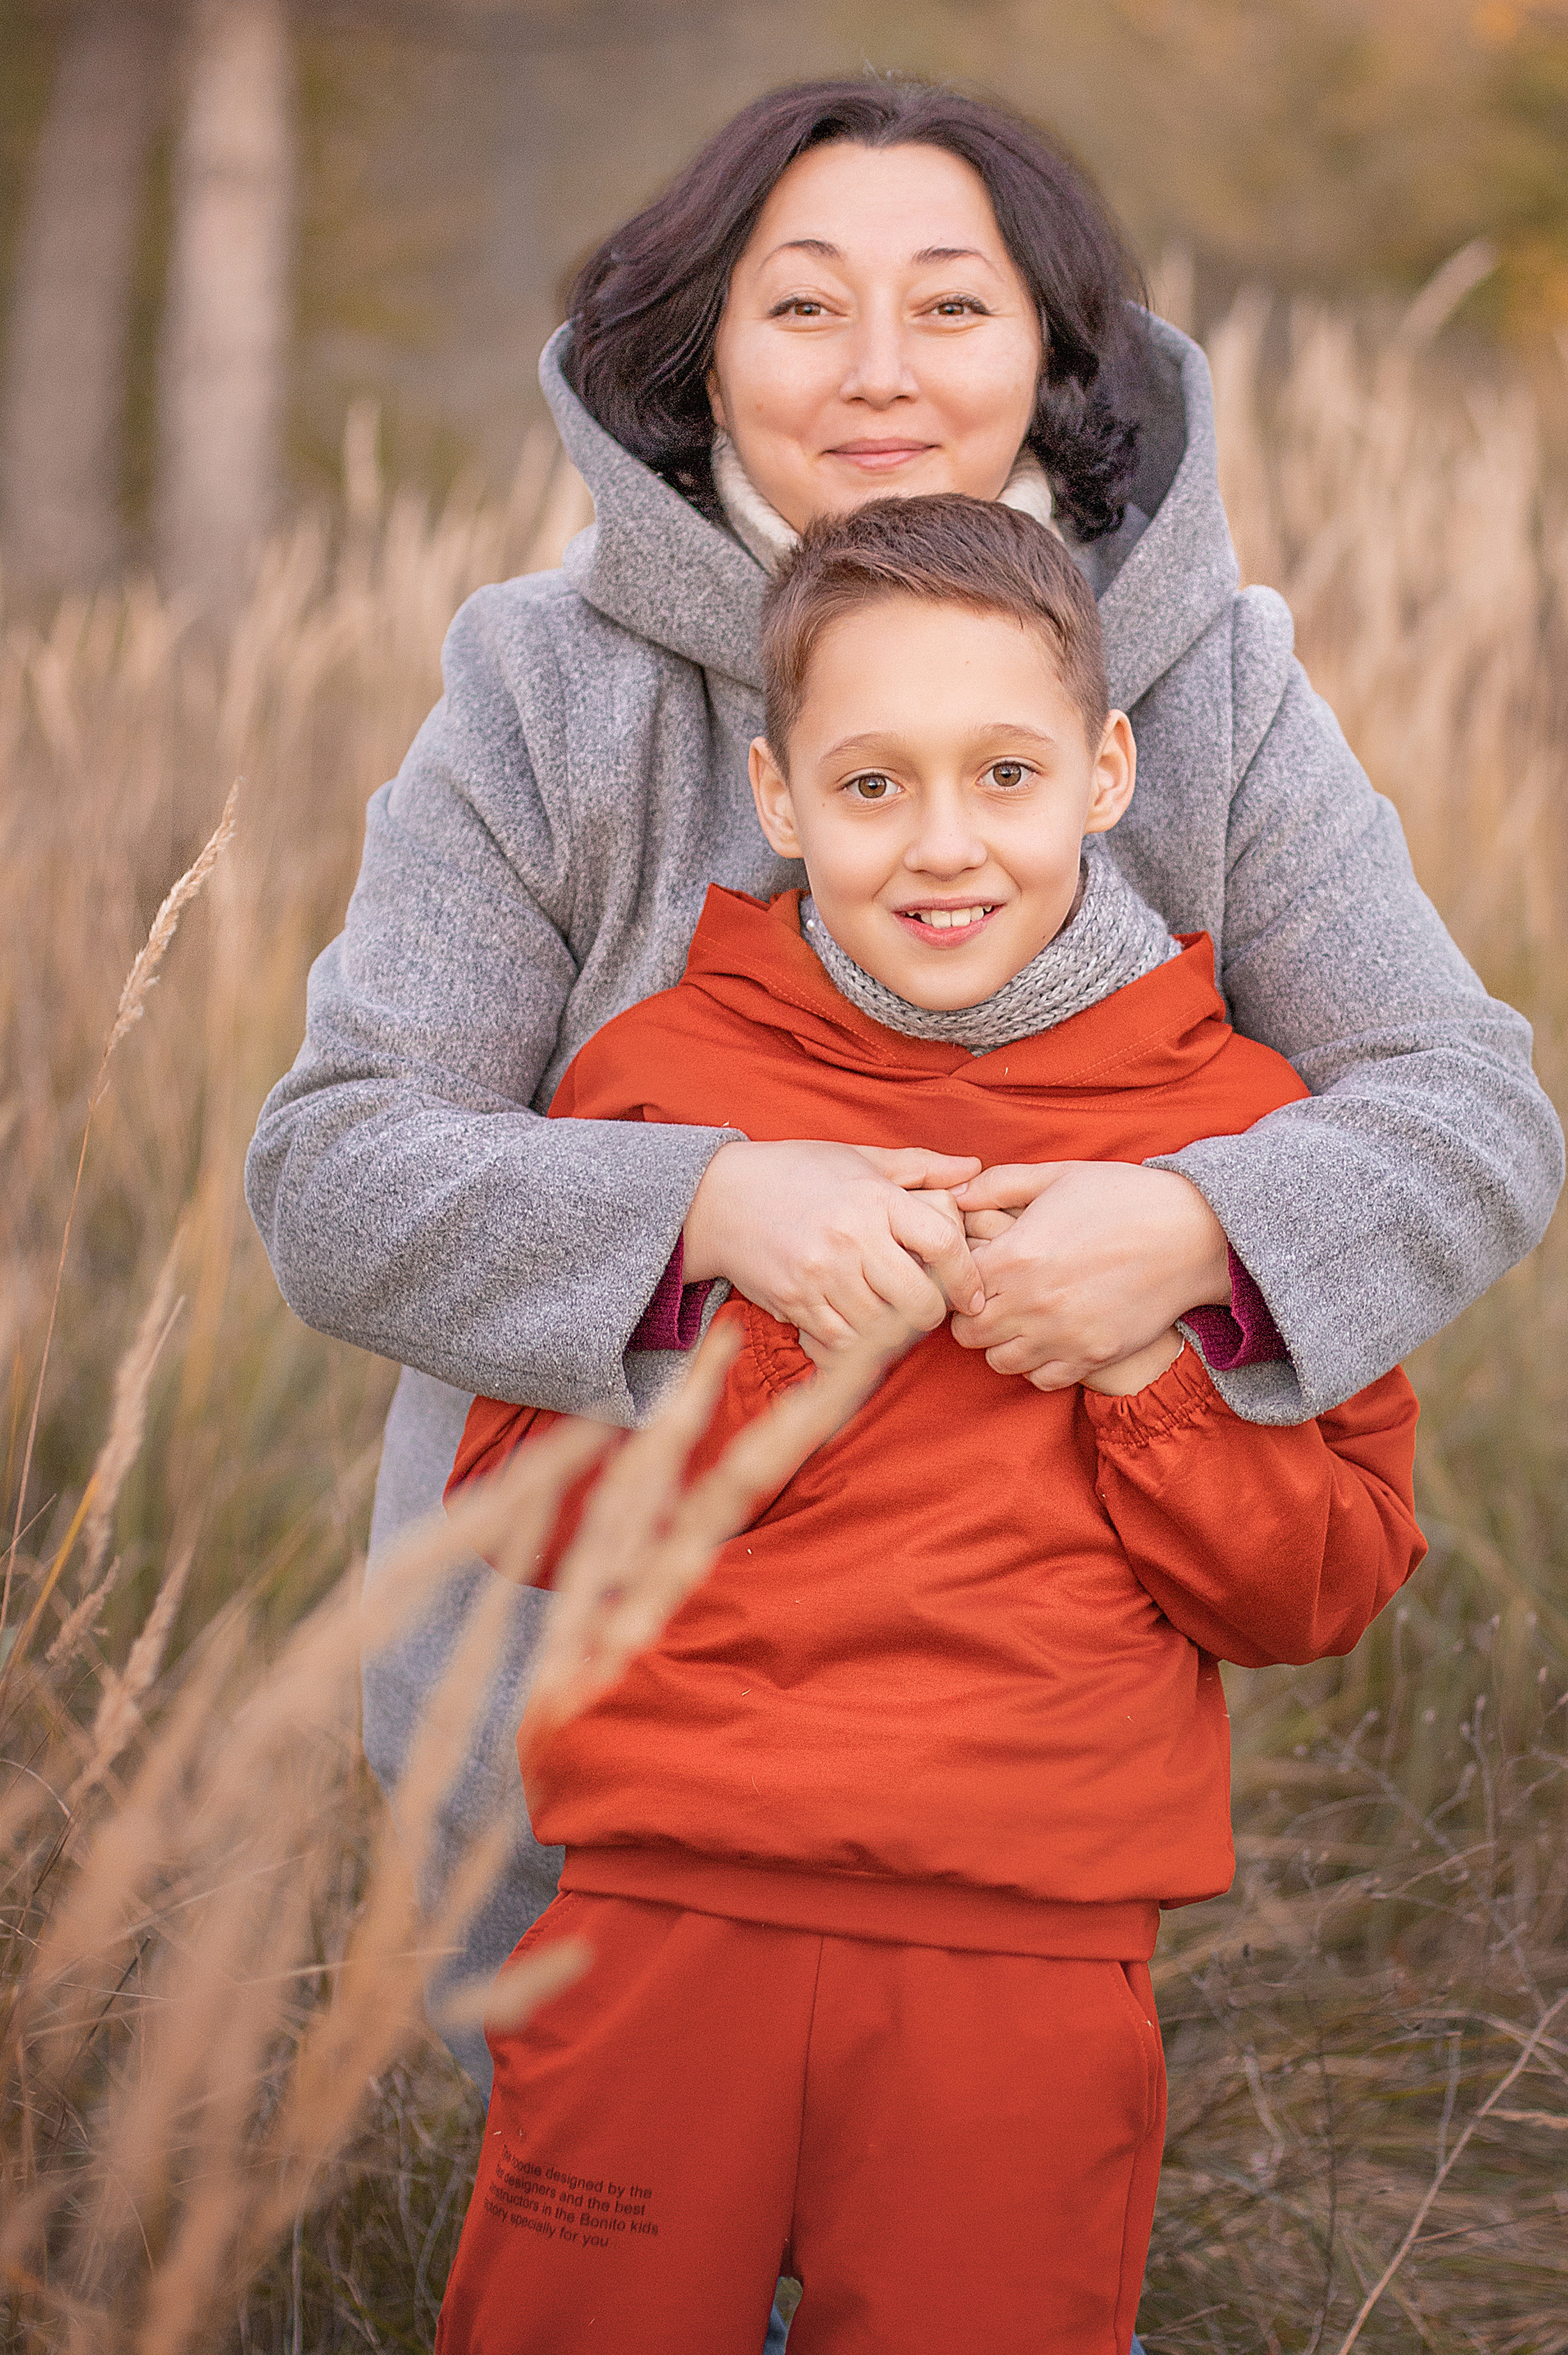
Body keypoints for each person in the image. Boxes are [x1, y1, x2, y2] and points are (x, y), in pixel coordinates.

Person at [244, 79, 1562, 2336]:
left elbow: (1469, 1109)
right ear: (703, 351)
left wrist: (1198, 1237)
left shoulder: (1206, 685)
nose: (881, 365)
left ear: (1048, 352)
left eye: (951, 304)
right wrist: (708, 1203)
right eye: (807, 304)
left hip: (1015, 1792)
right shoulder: (545, 687)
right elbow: (336, 1167)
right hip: (579, 1737)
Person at [434, 494, 1427, 2355]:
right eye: (873, 787)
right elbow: (522, 1514)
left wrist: (1144, 1370)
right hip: (658, 1925)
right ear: (782, 796)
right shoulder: (658, 1088)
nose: (945, 844)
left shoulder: (1253, 1138)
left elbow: (1323, 1585)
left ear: (1109, 769)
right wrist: (775, 1333)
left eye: (1004, 772)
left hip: (1030, 1956)